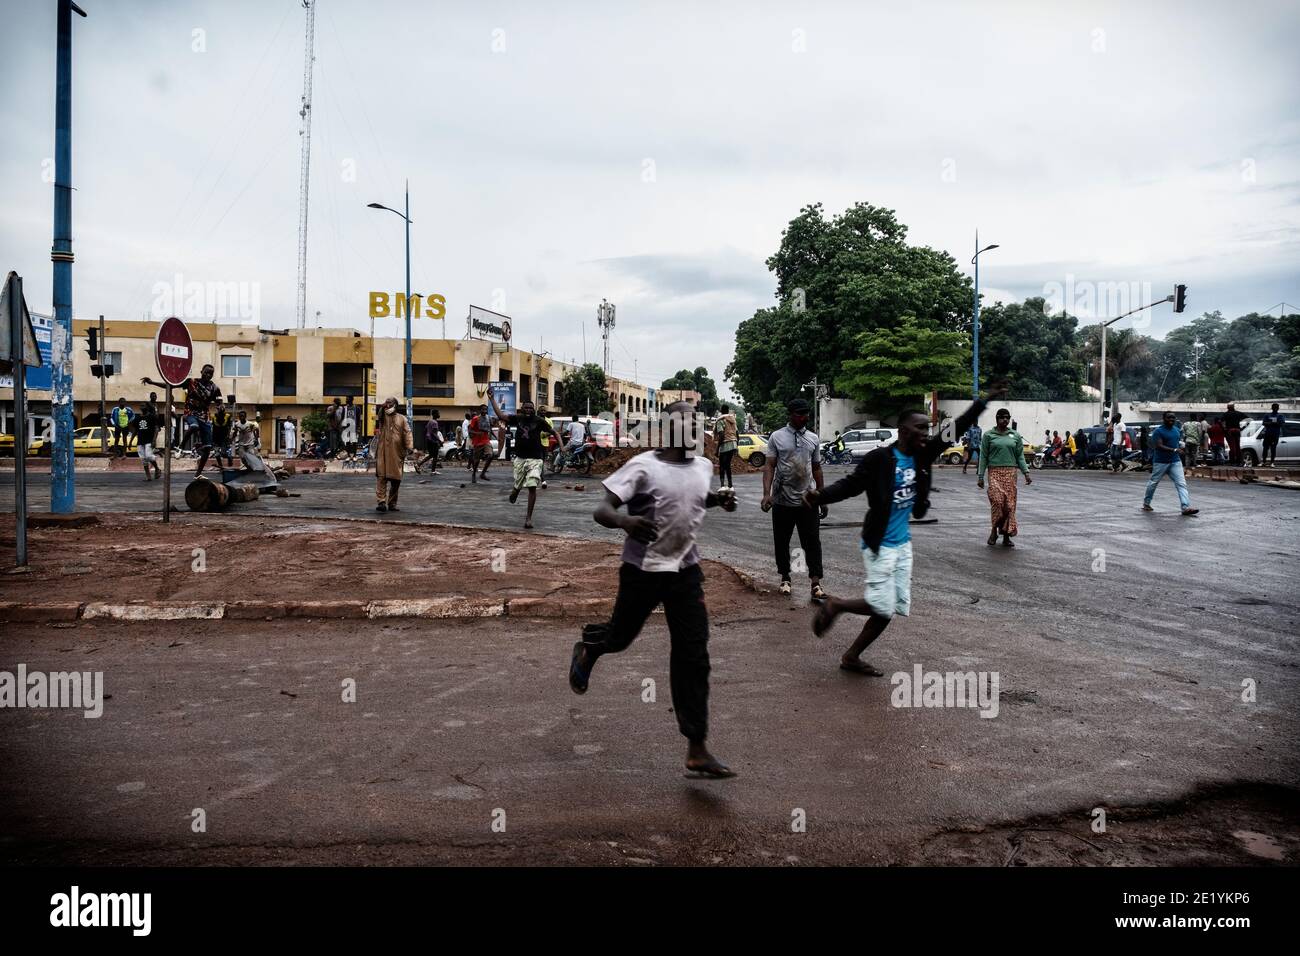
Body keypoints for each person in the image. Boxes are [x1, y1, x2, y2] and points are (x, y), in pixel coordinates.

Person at [567, 400, 737, 779]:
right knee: (620, 638)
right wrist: (624, 522)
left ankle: (697, 747)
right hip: (642, 570)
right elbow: (602, 509)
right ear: (671, 426)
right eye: (691, 423)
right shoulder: (644, 465)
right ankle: (592, 647)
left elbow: (691, 497)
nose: (699, 431)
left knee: (694, 655)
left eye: (700, 424)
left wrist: (718, 499)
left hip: (686, 572)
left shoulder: (705, 467)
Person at [805, 387, 1002, 676]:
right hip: (880, 543)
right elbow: (850, 485)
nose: (925, 432)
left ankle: (851, 656)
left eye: (927, 428)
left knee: (891, 607)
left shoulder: (924, 454)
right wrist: (819, 496)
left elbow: (957, 426)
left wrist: (984, 401)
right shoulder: (879, 459)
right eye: (919, 427)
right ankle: (836, 604)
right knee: (881, 604)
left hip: (902, 545)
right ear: (902, 430)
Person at [761, 398, 826, 600]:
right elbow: (770, 465)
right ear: (790, 415)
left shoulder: (813, 439)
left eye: (806, 413)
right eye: (799, 414)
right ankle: (785, 578)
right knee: (782, 541)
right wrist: (766, 494)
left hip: (808, 500)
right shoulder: (777, 437)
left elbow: (816, 468)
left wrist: (822, 496)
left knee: (812, 542)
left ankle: (815, 583)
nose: (804, 417)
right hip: (782, 500)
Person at [487, 391, 556, 529]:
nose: (529, 409)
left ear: (534, 409)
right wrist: (492, 398)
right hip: (520, 459)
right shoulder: (517, 418)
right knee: (518, 483)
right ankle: (516, 490)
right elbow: (501, 416)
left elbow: (554, 433)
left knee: (532, 486)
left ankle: (528, 518)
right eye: (526, 407)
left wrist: (561, 446)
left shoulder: (539, 421)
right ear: (522, 409)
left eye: (531, 407)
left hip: (535, 459)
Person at [141, 362, 222, 477]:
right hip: (191, 413)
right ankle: (181, 446)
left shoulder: (214, 388)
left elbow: (219, 401)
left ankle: (197, 474)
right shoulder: (191, 382)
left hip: (205, 416)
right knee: (194, 426)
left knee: (208, 448)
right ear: (201, 372)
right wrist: (152, 382)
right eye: (206, 373)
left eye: (211, 374)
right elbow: (170, 385)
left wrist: (221, 407)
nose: (208, 375)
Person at [978, 407, 1032, 546]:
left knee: (1009, 506)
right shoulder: (989, 435)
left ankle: (1006, 536)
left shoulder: (1015, 435)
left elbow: (1019, 456)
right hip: (994, 473)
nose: (1005, 420)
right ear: (997, 419)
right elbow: (983, 456)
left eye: (1007, 417)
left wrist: (1026, 473)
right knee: (997, 502)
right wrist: (980, 476)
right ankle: (993, 531)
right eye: (1002, 417)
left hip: (1010, 474)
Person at [1143, 411, 1198, 516]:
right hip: (1160, 462)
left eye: (1173, 418)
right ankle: (1146, 503)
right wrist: (1174, 450)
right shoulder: (1158, 432)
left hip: (1175, 461)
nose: (1171, 420)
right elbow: (1159, 445)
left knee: (1181, 484)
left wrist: (1182, 447)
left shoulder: (1177, 431)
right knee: (1153, 483)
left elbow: (1177, 443)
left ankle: (1185, 507)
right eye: (1169, 418)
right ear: (1163, 419)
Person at [374, 397, 413, 512]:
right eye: (386, 402)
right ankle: (381, 501)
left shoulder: (402, 419)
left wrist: (409, 446)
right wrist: (382, 407)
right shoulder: (383, 417)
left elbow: (407, 433)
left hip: (397, 453)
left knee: (396, 480)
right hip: (382, 452)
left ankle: (392, 503)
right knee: (381, 477)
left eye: (390, 402)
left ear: (395, 405)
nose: (388, 404)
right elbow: (379, 414)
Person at [134, 396, 160, 480]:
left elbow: (156, 429)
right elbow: (136, 430)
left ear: (147, 407)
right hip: (140, 440)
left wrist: (154, 440)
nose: (142, 407)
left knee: (149, 456)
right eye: (141, 406)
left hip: (149, 440)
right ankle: (148, 477)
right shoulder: (138, 418)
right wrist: (131, 441)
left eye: (144, 406)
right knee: (143, 459)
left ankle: (157, 469)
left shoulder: (152, 417)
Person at [714, 403, 739, 489]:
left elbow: (721, 435)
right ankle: (730, 485)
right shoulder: (733, 420)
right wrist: (736, 447)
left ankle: (722, 486)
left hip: (726, 444)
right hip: (733, 444)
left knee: (722, 465)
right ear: (728, 411)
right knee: (728, 465)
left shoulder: (720, 420)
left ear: (721, 411)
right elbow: (737, 434)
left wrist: (717, 449)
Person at [468, 404, 494, 481]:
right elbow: (470, 430)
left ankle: (482, 474)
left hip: (486, 440)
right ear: (480, 410)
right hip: (477, 442)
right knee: (476, 461)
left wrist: (495, 436)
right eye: (483, 409)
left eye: (486, 409)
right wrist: (477, 433)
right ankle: (474, 474)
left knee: (490, 455)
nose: (484, 411)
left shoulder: (488, 418)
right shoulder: (475, 419)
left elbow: (490, 429)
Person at [419, 409, 444, 474]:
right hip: (433, 441)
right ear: (435, 414)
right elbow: (434, 433)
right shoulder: (435, 422)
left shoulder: (430, 421)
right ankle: (433, 471)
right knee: (435, 456)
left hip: (429, 440)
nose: (439, 414)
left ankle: (418, 464)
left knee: (431, 455)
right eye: (438, 413)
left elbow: (426, 429)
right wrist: (440, 441)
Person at [211, 400, 234, 469]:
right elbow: (213, 428)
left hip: (224, 437)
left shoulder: (227, 416)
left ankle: (229, 458)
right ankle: (220, 465)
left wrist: (229, 435)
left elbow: (229, 426)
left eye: (222, 411)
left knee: (224, 453)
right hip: (216, 438)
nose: (220, 413)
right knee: (217, 454)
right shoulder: (214, 417)